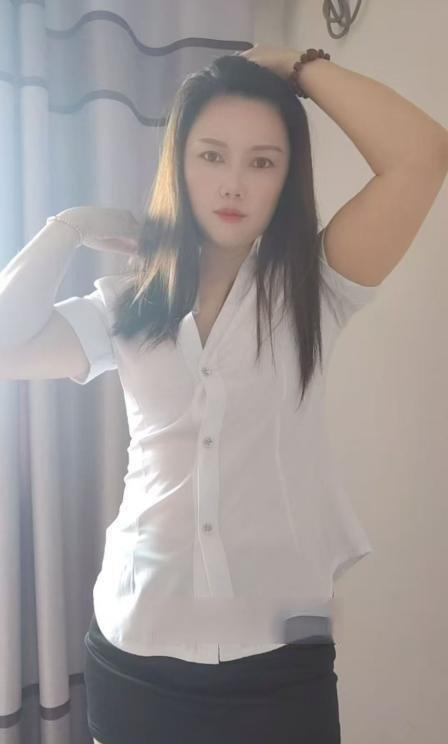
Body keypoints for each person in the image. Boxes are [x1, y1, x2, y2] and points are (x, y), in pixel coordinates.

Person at [0, 54, 381, 744]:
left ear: (287, 179)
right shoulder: (129, 302)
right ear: (179, 165)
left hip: (283, 657)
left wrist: (298, 67)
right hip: (135, 646)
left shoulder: (316, 289)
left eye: (262, 162)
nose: (233, 182)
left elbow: (420, 157)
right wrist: (68, 227)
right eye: (211, 155)